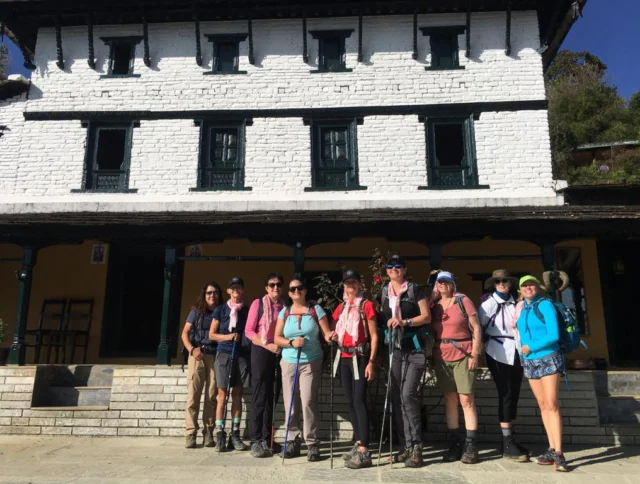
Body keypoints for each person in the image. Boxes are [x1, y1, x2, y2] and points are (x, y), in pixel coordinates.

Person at [273, 275, 333, 462]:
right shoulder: (285, 312)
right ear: (289, 294)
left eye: (299, 288)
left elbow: (327, 333)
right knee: (291, 403)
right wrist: (291, 342)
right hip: (289, 361)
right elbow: (276, 338)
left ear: (305, 290)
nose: (296, 291)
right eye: (292, 289)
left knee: (307, 401)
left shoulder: (316, 310)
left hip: (311, 361)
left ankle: (312, 444)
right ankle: (292, 440)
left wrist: (332, 336)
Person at [381, 255, 431, 468]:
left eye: (398, 266)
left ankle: (416, 447)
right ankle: (404, 447)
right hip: (396, 350)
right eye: (390, 266)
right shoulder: (384, 292)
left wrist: (404, 321)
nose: (394, 269)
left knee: (407, 394)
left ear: (404, 269)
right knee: (397, 397)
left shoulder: (414, 289)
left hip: (415, 349)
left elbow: (426, 316)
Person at [516, 275, 567, 472]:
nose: (528, 288)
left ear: (538, 287)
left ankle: (560, 453)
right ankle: (552, 447)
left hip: (548, 356)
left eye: (532, 285)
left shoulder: (545, 305)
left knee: (552, 403)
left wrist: (531, 347)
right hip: (529, 361)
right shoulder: (523, 309)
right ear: (520, 290)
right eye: (524, 285)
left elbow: (553, 334)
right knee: (543, 405)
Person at [478, 269, 529, 462]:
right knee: (506, 393)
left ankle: (510, 439)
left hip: (516, 350)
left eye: (505, 280)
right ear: (493, 284)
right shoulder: (489, 303)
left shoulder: (516, 303)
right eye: (498, 281)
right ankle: (507, 441)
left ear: (510, 283)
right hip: (497, 350)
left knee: (514, 392)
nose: (501, 283)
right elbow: (479, 325)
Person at [431, 271, 481, 465]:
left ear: (452, 284)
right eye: (439, 282)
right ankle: (455, 442)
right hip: (441, 356)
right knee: (450, 399)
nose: (443, 285)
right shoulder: (434, 305)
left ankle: (471, 444)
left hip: (463, 353)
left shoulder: (463, 300)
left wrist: (475, 354)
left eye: (446, 282)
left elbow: (476, 327)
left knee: (466, 399)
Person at [330, 269, 379, 469]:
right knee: (350, 402)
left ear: (359, 284)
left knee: (359, 401)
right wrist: (332, 336)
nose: (350, 285)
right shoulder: (341, 308)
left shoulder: (366, 306)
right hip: (343, 356)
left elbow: (374, 336)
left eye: (353, 282)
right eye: (347, 282)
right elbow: (335, 329)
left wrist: (371, 362)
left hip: (360, 357)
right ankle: (358, 443)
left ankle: (365, 452)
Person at [245, 272, 285, 458]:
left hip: (277, 352)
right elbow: (249, 331)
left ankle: (267, 438)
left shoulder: (284, 307)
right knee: (260, 394)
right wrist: (267, 345)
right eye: (271, 285)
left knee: (272, 395)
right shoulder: (258, 304)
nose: (275, 287)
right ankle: (255, 439)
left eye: (278, 284)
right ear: (266, 288)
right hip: (261, 350)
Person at [209, 276, 251, 451]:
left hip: (241, 354)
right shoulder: (220, 310)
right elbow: (212, 334)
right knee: (222, 394)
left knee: (237, 394)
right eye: (232, 288)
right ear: (228, 291)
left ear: (242, 290)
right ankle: (220, 433)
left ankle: (235, 432)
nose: (236, 291)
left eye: (238, 288)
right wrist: (227, 336)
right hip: (224, 353)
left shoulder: (247, 310)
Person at [182, 281, 221, 449]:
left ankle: (208, 431)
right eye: (209, 293)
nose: (212, 295)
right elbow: (184, 332)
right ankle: (190, 433)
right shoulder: (196, 311)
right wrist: (191, 349)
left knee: (212, 395)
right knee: (193, 395)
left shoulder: (222, 311)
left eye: (215, 293)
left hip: (214, 355)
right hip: (197, 354)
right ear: (204, 295)